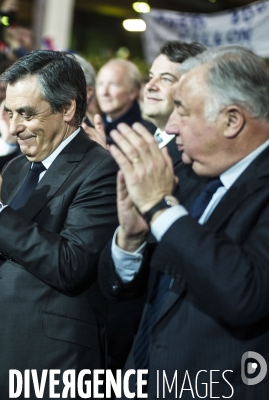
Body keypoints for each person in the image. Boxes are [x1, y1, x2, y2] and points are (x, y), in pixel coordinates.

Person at [100, 45, 269, 398]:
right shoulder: (188, 175)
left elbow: (245, 294)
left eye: (183, 111)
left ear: (232, 120)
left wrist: (160, 207)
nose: (172, 127)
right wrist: (131, 240)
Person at [0, 50, 118, 399]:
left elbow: (71, 265)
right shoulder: (14, 168)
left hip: (49, 365)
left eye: (27, 114)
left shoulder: (100, 169)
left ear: (68, 108)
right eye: (10, 113)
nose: (14, 128)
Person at [96, 58, 155, 136]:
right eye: (100, 84)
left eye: (113, 84)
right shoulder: (88, 129)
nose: (104, 92)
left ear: (132, 92)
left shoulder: (148, 133)